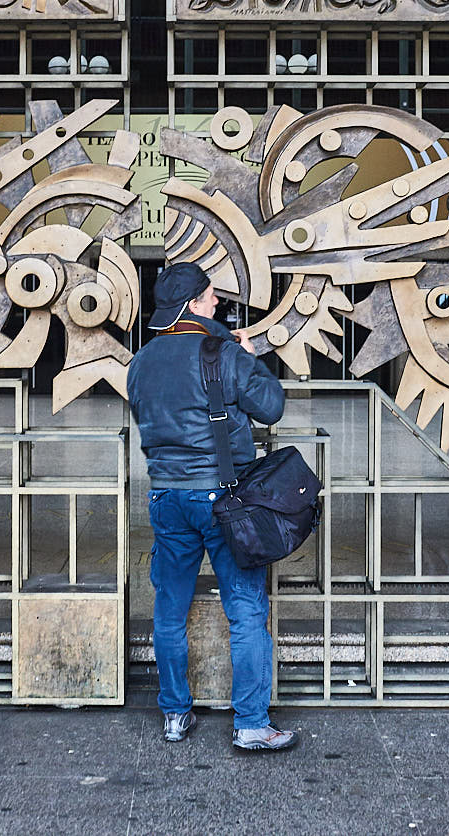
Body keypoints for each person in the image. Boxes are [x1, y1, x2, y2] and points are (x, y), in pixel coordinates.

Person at [125, 261, 299, 752]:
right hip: (222, 499)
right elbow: (271, 406)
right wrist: (248, 357)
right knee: (245, 611)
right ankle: (250, 724)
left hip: (165, 495)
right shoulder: (221, 352)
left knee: (169, 609)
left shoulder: (141, 361)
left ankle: (176, 714)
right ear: (193, 305)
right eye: (211, 296)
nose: (217, 302)